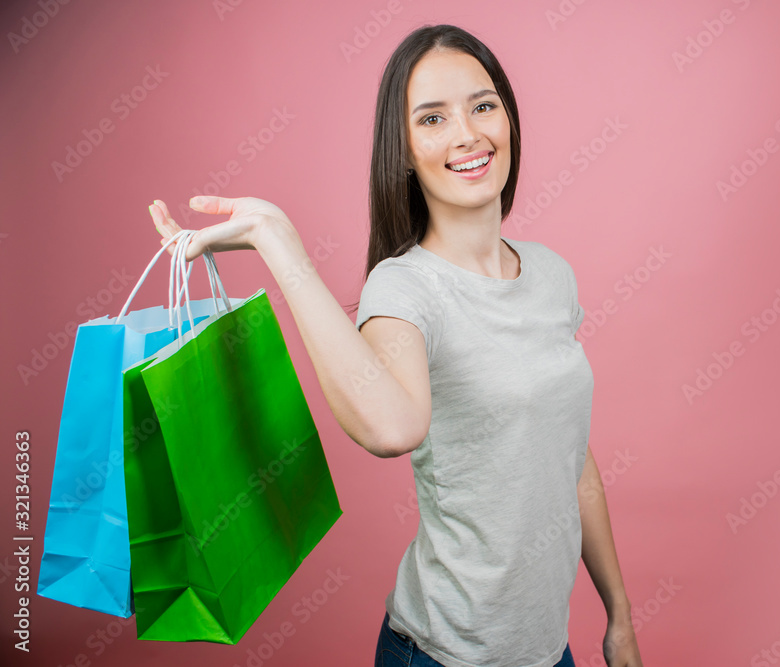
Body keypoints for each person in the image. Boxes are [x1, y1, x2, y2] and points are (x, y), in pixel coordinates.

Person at [150, 23, 642, 667]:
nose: (467, 133)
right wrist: (281, 246)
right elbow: (392, 427)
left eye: (483, 106)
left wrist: (620, 618)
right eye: (433, 118)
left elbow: (571, 456)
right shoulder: (404, 289)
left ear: (509, 121)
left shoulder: (551, 274)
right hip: (442, 655)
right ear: (404, 150)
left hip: (551, 653)